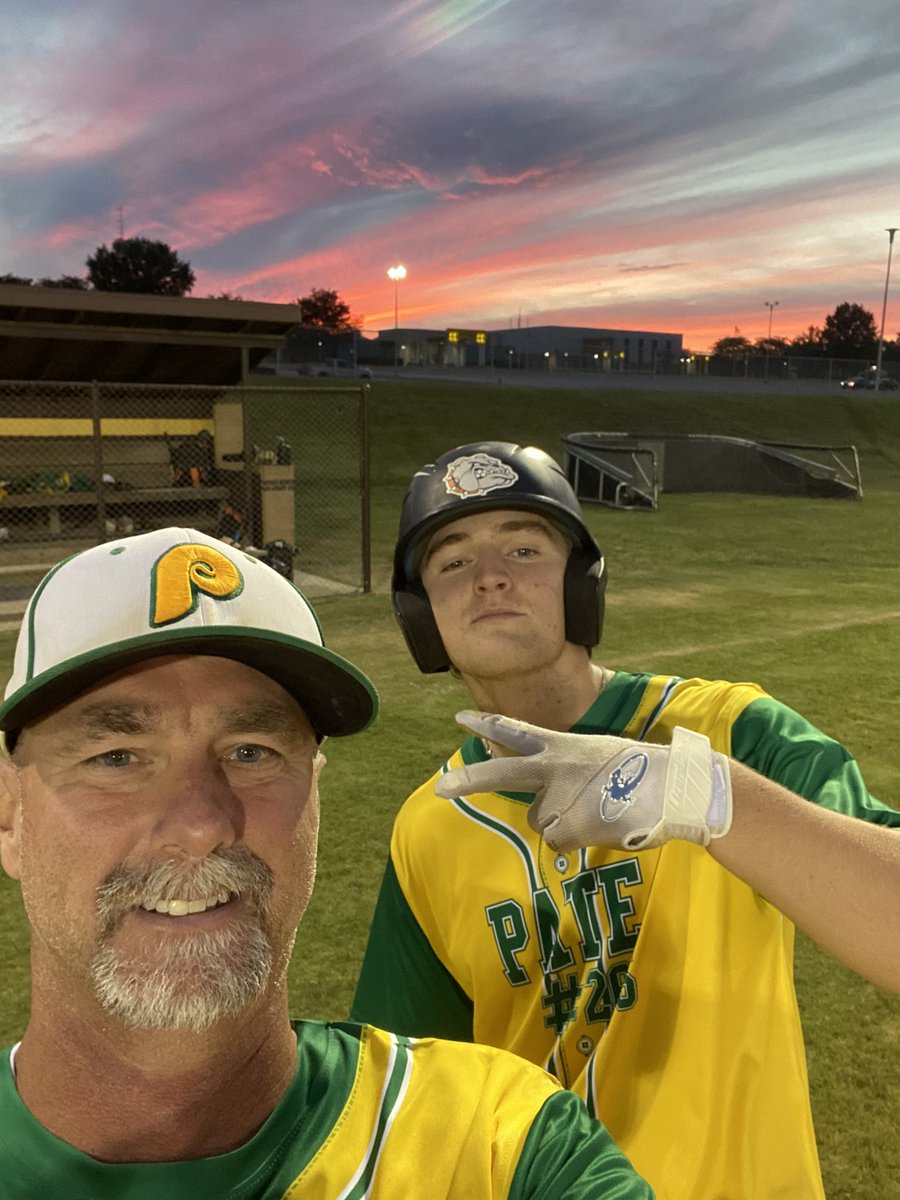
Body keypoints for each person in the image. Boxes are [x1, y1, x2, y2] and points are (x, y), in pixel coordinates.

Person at [0, 526, 653, 1198]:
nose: (200, 826)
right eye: (116, 759)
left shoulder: (500, 1147)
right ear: (10, 814)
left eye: (250, 752)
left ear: (314, 795)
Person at [351, 442, 900, 1200]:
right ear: (420, 616)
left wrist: (703, 794)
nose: (491, 576)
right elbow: (410, 1094)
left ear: (582, 584)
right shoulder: (429, 824)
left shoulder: (730, 731)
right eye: (452, 562)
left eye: (523, 546)